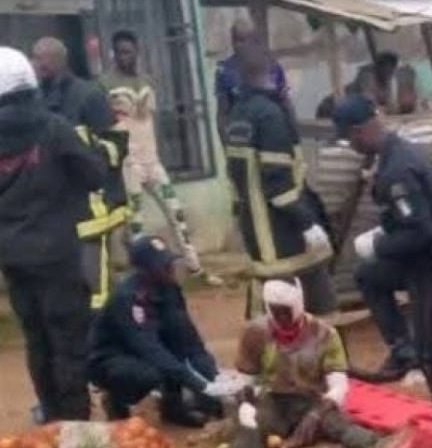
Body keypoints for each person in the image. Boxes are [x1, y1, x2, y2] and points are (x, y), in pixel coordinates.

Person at [335, 95, 432, 447]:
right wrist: (384, 232)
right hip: (423, 259)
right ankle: (401, 349)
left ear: (360, 131)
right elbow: (408, 220)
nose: (351, 147)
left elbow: (420, 233)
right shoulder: (394, 154)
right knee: (369, 276)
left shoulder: (398, 169)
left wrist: (379, 244)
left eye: (350, 139)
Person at [0, 46, 105, 422]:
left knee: (36, 338)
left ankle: (51, 414)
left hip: (12, 257)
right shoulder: (52, 127)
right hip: (57, 254)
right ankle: (75, 425)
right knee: (67, 340)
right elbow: (94, 174)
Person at [224, 44, 336, 319]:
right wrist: (308, 223)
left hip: (256, 228)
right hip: (283, 231)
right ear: (272, 72)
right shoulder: (269, 116)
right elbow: (279, 185)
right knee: (315, 303)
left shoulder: (237, 115)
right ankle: (325, 356)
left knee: (266, 303)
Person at [102, 30, 222, 287]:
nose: (127, 57)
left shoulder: (147, 80)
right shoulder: (105, 83)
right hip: (128, 163)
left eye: (131, 51)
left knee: (176, 212)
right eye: (122, 52)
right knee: (136, 222)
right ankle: (142, 276)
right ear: (114, 53)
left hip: (152, 160)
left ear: (137, 52)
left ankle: (194, 267)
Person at [32, 36, 129, 314]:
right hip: (59, 210)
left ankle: (106, 336)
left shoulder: (89, 95)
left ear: (57, 59)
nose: (36, 65)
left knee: (95, 283)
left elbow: (117, 146)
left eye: (41, 59)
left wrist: (85, 158)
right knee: (71, 287)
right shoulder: (39, 99)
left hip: (95, 208)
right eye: (34, 59)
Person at [87, 235, 223, 427]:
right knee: (151, 373)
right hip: (111, 359)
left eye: (169, 262)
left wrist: (214, 381)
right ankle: (116, 400)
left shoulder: (170, 289)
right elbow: (151, 350)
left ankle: (173, 409)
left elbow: (189, 341)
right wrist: (198, 385)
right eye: (162, 265)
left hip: (148, 349)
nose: (170, 268)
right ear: (143, 270)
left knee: (176, 347)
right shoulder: (128, 299)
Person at [234, 277, 377, 448]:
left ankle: (374, 446)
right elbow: (245, 381)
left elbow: (338, 385)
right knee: (249, 434)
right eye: (274, 311)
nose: (281, 318)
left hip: (313, 400)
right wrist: (245, 405)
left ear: (299, 305)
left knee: (344, 429)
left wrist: (315, 415)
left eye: (286, 311)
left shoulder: (324, 334)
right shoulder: (255, 333)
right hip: (274, 399)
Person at [215, 20, 293, 137]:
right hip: (242, 135)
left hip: (272, 130)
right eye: (235, 40)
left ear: (253, 41)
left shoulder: (272, 67)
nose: (237, 45)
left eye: (242, 40)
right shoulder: (224, 71)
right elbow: (222, 111)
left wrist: (294, 135)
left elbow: (285, 103)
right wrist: (226, 142)